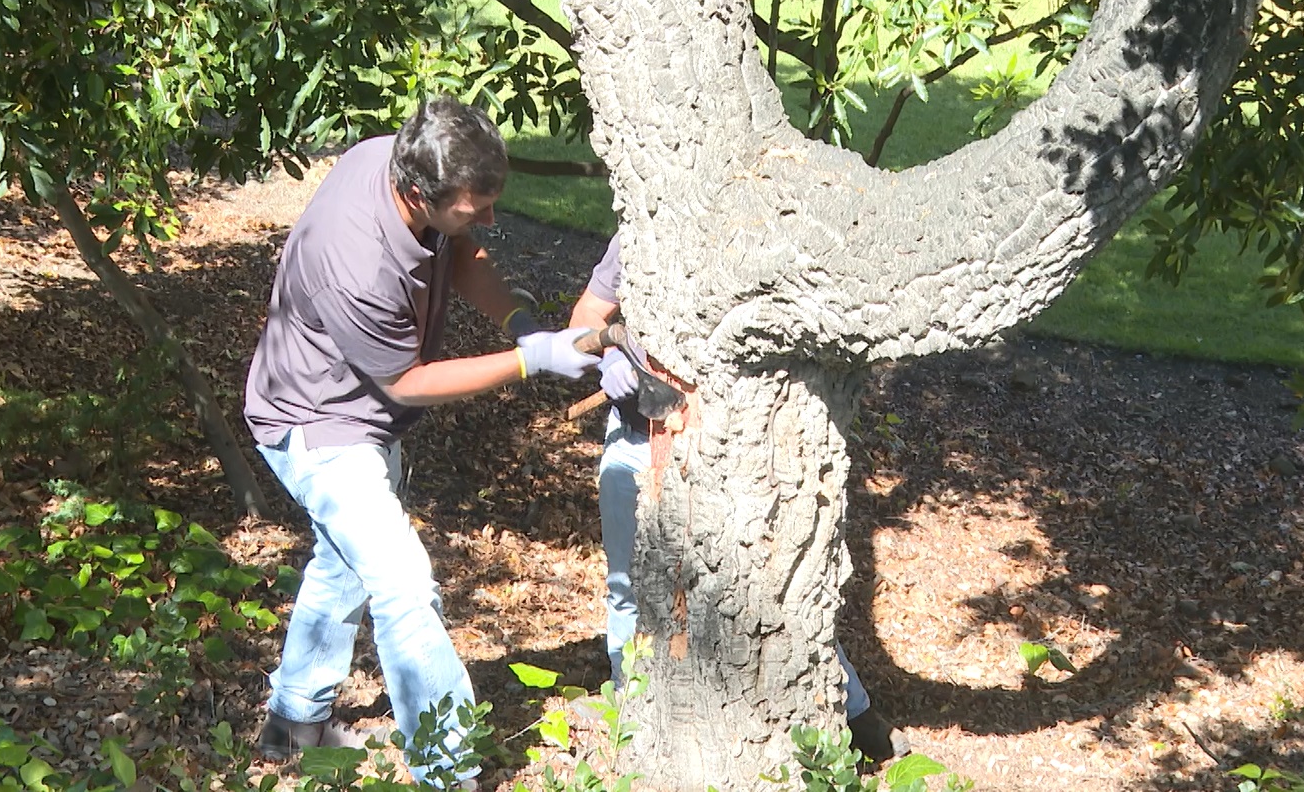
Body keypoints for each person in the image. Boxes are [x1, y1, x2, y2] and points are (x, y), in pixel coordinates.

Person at [242, 98, 599, 787]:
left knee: (345, 561)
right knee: (403, 584)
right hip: (317, 423)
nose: (491, 221)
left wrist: (522, 319)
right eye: (476, 208)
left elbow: (461, 252)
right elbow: (407, 381)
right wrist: (534, 360)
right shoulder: (357, 258)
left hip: (356, 411)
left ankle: (291, 723)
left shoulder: (401, 156)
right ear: (417, 193)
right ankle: (451, 767)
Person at [568, 236, 910, 764]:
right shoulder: (645, 227)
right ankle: (630, 718)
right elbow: (587, 314)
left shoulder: (754, 231)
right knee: (626, 586)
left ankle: (854, 711)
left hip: (729, 442)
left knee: (768, 588)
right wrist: (608, 356)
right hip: (636, 437)